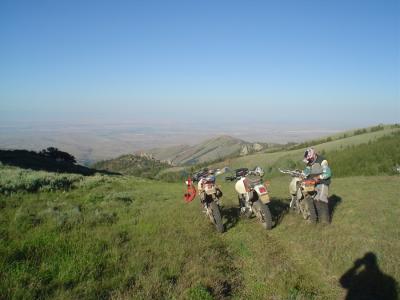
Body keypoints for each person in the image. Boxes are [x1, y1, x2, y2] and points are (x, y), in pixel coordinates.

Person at [303, 148, 332, 224]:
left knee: (322, 200)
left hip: (323, 182)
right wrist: (302, 174)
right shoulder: (309, 162)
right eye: (308, 160)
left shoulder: (323, 161)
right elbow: (307, 171)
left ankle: (325, 221)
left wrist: (318, 177)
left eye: (310, 159)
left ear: (314, 156)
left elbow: (328, 173)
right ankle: (319, 219)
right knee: (316, 200)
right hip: (314, 183)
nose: (309, 161)